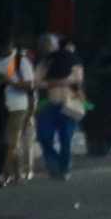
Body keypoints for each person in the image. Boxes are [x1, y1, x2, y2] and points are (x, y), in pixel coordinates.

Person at [35, 32, 85, 181]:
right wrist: (60, 82)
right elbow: (37, 82)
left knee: (66, 139)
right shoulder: (45, 62)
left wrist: (54, 82)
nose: (46, 48)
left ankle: (63, 169)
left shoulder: (73, 59)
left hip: (69, 103)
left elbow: (77, 79)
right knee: (44, 136)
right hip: (50, 104)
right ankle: (56, 164)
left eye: (49, 44)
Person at [0, 34, 36, 187]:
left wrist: (10, 81)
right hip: (2, 106)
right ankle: (17, 174)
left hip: (19, 106)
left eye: (5, 46)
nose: (2, 49)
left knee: (11, 141)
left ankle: (4, 174)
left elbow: (30, 85)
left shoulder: (20, 61)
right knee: (9, 142)